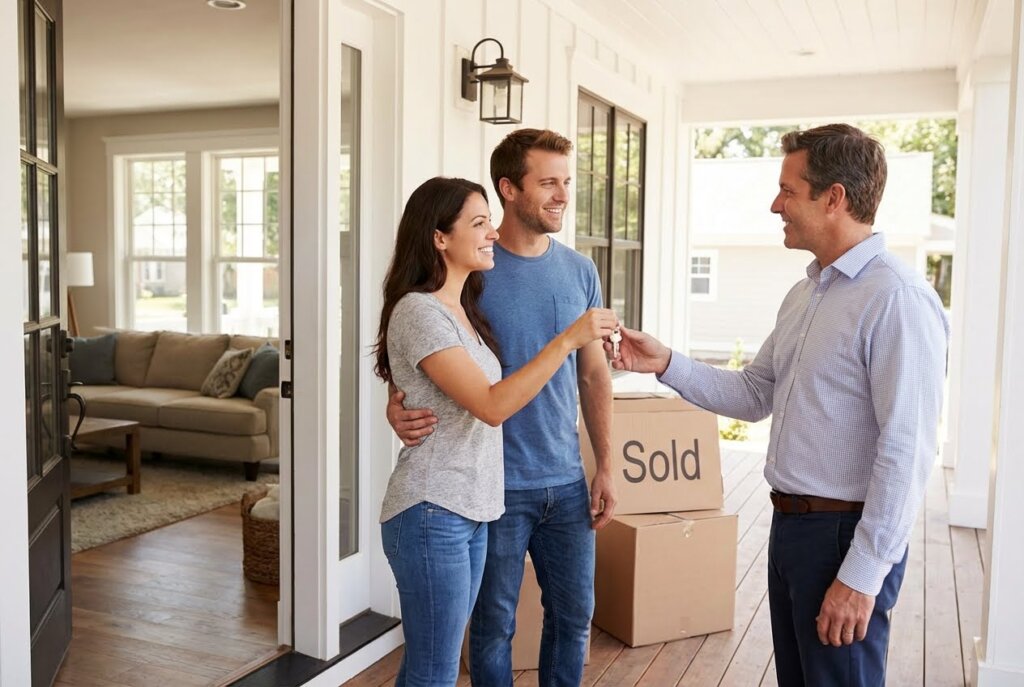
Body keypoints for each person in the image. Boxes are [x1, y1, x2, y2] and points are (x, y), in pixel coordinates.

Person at [609, 124, 948, 686]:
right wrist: (664, 361)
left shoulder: (897, 300)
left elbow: (908, 449)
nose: (776, 205)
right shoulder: (806, 293)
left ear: (834, 197)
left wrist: (861, 576)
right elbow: (754, 392)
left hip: (844, 536)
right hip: (791, 530)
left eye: (789, 190)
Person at [387, 130, 617, 686]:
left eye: (567, 182)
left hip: (563, 479)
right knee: (490, 628)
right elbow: (434, 361)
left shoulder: (576, 271)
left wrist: (605, 463)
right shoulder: (472, 277)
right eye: (548, 183)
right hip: (489, 487)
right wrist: (397, 405)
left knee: (575, 617)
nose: (562, 195)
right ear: (509, 189)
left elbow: (592, 373)